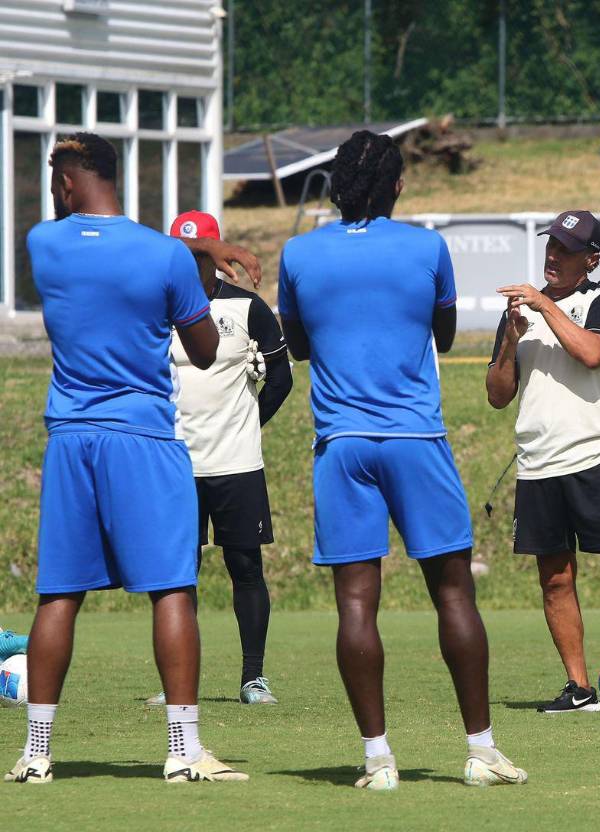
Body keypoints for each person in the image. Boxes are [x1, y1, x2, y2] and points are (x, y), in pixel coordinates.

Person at [279, 131, 526, 791]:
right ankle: (481, 752)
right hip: (416, 439)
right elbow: (442, 335)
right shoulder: (426, 247)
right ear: (397, 186)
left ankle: (378, 760)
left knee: (356, 604)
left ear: (335, 186)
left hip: (342, 445)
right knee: (453, 592)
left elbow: (298, 346)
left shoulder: (298, 253)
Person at [8, 132, 251, 785]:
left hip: (70, 440)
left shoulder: (43, 244)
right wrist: (203, 256)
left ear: (66, 184)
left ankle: (36, 753)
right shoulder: (164, 255)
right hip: (141, 438)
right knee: (171, 588)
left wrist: (193, 253)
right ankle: (183, 750)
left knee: (59, 595)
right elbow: (203, 351)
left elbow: (93, 248)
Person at [487, 210, 600, 716]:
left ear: (591, 260)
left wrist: (545, 305)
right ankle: (579, 687)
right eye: (551, 246)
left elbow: (591, 353)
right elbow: (498, 395)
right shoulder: (519, 313)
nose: (553, 256)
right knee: (555, 579)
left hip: (598, 455)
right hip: (538, 462)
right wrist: (510, 340)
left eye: (565, 250)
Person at [142, 211, 292, 707]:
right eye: (180, 253)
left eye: (197, 253)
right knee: (176, 575)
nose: (188, 262)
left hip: (236, 463)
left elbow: (281, 379)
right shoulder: (153, 307)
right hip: (174, 465)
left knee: (245, 567)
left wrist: (247, 422)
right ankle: (176, 684)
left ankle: (254, 678)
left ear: (215, 252)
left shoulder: (247, 307)